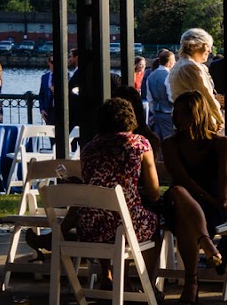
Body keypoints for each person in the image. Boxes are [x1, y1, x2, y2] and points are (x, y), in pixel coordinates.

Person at [66, 97, 162, 273]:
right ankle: (149, 286)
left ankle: (107, 275)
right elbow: (154, 193)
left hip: (89, 229)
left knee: (104, 214)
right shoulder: (139, 144)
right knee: (154, 225)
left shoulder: (89, 148)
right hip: (125, 227)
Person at [161, 90, 227, 305]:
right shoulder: (170, 144)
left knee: (186, 219)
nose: (176, 117)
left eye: (182, 113)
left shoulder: (222, 143)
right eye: (176, 112)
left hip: (210, 208)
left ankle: (191, 283)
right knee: (178, 192)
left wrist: (221, 203)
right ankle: (206, 242)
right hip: (180, 202)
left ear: (196, 114)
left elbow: (225, 184)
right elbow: (183, 179)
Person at [170, 29, 226, 136]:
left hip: (185, 121)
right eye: (208, 46)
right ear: (196, 46)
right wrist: (219, 119)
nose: (209, 51)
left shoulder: (179, 65)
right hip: (198, 123)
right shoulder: (191, 67)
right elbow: (205, 95)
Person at [144, 49, 176, 139]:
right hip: (168, 112)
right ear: (169, 63)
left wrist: (153, 111)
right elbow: (171, 96)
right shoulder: (169, 76)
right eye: (174, 61)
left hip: (156, 113)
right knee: (170, 140)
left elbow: (149, 98)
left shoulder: (150, 76)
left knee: (159, 140)